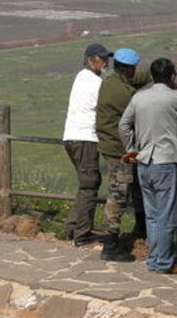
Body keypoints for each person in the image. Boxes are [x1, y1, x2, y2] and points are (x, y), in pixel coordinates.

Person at [118, 57, 177, 274]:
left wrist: (131, 148)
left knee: (152, 215)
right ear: (172, 76)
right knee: (167, 215)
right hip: (165, 161)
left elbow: (123, 125)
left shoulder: (139, 98)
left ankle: (155, 258)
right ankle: (164, 261)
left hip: (144, 161)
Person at [96, 47, 151, 262]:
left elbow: (135, 79)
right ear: (128, 69)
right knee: (118, 195)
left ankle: (139, 229)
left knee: (131, 189)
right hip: (119, 150)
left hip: (114, 146)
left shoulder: (112, 80)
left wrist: (155, 72)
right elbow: (139, 108)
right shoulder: (124, 93)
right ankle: (110, 245)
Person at [62, 43, 111, 247]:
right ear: (91, 60)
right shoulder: (95, 82)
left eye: (106, 58)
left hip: (71, 136)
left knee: (86, 183)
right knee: (90, 183)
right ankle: (81, 234)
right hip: (85, 138)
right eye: (102, 59)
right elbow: (105, 106)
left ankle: (72, 228)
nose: (106, 62)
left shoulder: (80, 77)